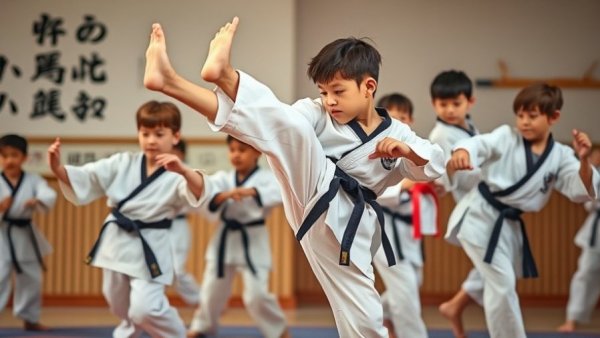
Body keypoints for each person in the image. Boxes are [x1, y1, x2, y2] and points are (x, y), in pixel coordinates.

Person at [143, 17, 445, 337]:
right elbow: (273, 121)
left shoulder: (398, 133)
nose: (329, 100)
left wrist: (407, 152)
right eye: (324, 91)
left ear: (368, 86)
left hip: (349, 226)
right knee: (290, 128)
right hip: (313, 188)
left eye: (338, 91)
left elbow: (434, 163)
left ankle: (170, 82)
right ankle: (191, 79)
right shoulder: (316, 113)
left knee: (367, 318)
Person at [445, 83, 599, 338]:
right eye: (521, 115)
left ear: (554, 117)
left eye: (533, 116)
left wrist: (583, 160)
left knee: (501, 283)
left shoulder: (560, 155)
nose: (524, 122)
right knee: (502, 286)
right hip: (480, 217)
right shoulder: (507, 136)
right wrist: (463, 150)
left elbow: (580, 188)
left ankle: (455, 307)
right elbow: (481, 144)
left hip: (508, 225)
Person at [47, 101, 208, 338]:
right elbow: (87, 177)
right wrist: (57, 168)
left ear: (175, 136)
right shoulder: (123, 162)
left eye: (159, 134)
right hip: (117, 242)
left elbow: (198, 191)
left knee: (145, 308)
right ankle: (127, 333)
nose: (151, 140)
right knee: (119, 305)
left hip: (150, 244)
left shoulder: (177, 173)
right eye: (145, 134)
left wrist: (184, 171)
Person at [188, 135, 289, 338]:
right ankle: (201, 327)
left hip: (253, 238)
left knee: (256, 295)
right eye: (232, 150)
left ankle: (278, 331)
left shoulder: (268, 178)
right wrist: (225, 195)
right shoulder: (222, 178)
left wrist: (251, 191)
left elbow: (280, 193)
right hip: (224, 238)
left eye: (242, 150)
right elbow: (207, 197)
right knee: (211, 291)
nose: (236, 155)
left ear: (257, 152)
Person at [372, 93, 435, 338]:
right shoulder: (374, 152)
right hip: (386, 232)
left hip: (410, 235)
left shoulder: (415, 151)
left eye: (403, 118)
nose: (399, 124)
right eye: (392, 119)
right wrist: (406, 185)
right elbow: (371, 192)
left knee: (411, 286)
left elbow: (428, 179)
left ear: (411, 120)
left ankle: (377, 315)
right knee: (406, 296)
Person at [427, 70, 483, 338]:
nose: (449, 110)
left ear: (470, 102)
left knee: (497, 264)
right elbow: (440, 175)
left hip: (485, 202)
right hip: (472, 207)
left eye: (456, 104)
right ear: (433, 104)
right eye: (443, 104)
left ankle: (455, 306)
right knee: (496, 266)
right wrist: (439, 184)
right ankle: (455, 306)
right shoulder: (440, 135)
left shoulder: (470, 127)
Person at [0, 134, 56, 331]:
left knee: (32, 278)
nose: (9, 160)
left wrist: (38, 200)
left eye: (14, 155)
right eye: (4, 156)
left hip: (24, 234)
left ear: (24, 157)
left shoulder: (33, 180)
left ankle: (30, 318)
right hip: (2, 235)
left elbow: (48, 193)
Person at [558, 146, 600, 333]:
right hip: (596, 232)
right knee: (585, 274)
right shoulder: (591, 176)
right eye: (595, 155)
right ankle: (572, 318)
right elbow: (587, 203)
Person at [169, 139, 201, 307]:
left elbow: (199, 201)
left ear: (181, 154)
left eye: (173, 151)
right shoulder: (153, 171)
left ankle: (201, 300)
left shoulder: (188, 173)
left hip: (178, 226)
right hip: (152, 227)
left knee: (177, 270)